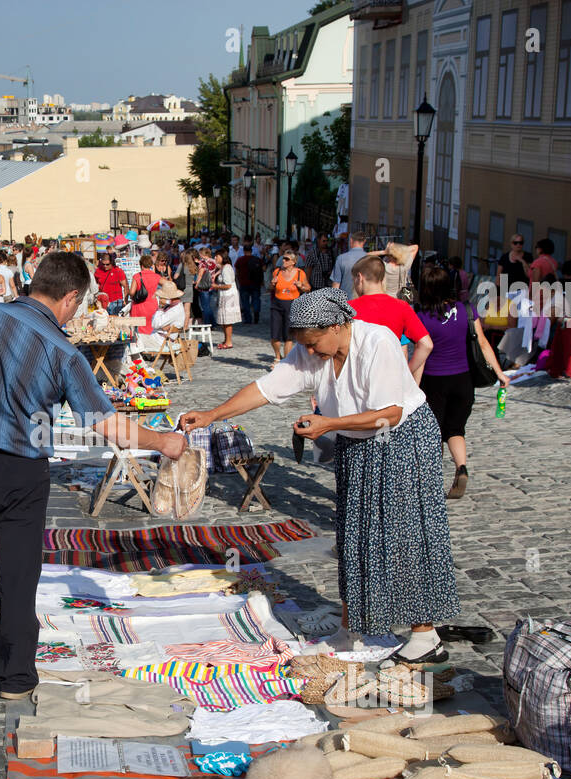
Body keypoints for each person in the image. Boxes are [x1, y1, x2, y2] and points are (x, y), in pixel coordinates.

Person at [0, 253, 187, 699]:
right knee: (18, 575)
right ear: (70, 298)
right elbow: (104, 423)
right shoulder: (64, 351)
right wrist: (164, 443)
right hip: (22, 472)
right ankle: (16, 678)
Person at [180, 288, 460, 663]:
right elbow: (266, 388)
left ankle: (425, 637)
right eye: (305, 345)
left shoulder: (379, 342)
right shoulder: (312, 351)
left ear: (338, 325)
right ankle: (352, 628)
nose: (309, 352)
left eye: (314, 343)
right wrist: (214, 414)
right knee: (353, 535)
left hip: (402, 440)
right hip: (357, 443)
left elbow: (389, 414)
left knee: (402, 532)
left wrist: (330, 423)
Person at [416, 264, 510, 500]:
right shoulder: (465, 309)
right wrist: (500, 373)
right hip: (463, 381)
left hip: (434, 381)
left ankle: (431, 480)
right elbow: (483, 344)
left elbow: (419, 353)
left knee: (432, 432)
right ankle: (461, 468)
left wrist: (411, 386)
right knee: (456, 429)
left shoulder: (421, 317)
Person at [348, 255, 434, 383]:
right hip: (391, 380)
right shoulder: (402, 307)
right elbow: (426, 345)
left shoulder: (348, 308)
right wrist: (407, 372)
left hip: (358, 378)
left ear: (360, 278)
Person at [267, 250, 310, 362]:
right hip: (277, 304)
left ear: (293, 262)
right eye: (283, 258)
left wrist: (301, 286)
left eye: (287, 259)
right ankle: (277, 356)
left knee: (288, 336)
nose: (283, 260)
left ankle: (286, 361)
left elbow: (308, 288)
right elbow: (270, 289)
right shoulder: (277, 272)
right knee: (274, 336)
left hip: (292, 305)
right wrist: (272, 284)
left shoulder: (300, 273)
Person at [212, 248, 241, 349]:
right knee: (224, 320)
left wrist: (216, 286)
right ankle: (226, 339)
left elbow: (228, 285)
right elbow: (220, 269)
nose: (215, 258)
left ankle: (229, 342)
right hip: (225, 296)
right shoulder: (224, 267)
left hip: (228, 296)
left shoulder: (227, 268)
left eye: (217, 256)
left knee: (227, 320)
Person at [329, 231, 368, 297]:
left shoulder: (341, 258)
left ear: (351, 241)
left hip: (346, 303)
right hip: (364, 303)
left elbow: (336, 286)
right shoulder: (370, 259)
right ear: (364, 241)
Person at [128, 254, 161, 333]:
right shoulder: (156, 276)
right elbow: (168, 284)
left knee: (137, 331)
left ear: (141, 265)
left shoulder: (137, 276)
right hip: (152, 306)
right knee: (151, 328)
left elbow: (132, 292)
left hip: (138, 306)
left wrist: (133, 296)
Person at [235, 244, 263, 324]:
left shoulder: (240, 260)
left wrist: (238, 279)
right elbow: (261, 270)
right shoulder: (257, 259)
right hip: (255, 283)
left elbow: (236, 270)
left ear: (244, 251)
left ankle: (248, 319)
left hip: (244, 283)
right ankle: (256, 311)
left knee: (245, 302)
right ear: (251, 251)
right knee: (256, 299)